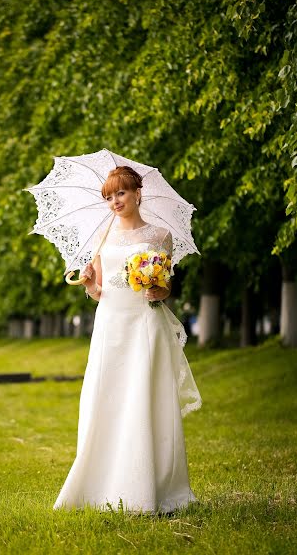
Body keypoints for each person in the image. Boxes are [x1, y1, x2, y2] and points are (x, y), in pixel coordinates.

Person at [53, 165, 202, 514]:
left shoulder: (160, 236)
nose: (114, 201)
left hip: (144, 325)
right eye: (108, 197)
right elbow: (98, 291)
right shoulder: (102, 238)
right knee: (108, 396)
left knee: (145, 398)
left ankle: (149, 487)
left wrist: (156, 290)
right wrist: (89, 282)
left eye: (120, 193)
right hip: (111, 326)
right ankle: (100, 484)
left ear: (137, 193)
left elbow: (165, 287)